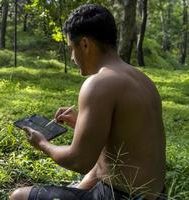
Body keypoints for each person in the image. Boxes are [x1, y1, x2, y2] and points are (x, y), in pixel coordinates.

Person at [10, 3, 166, 200]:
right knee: (89, 178)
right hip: (155, 195)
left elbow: (79, 161)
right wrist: (81, 123)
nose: (73, 57)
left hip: (121, 196)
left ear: (84, 44)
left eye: (71, 48)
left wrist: (42, 144)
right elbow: (127, 139)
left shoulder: (98, 84)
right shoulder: (142, 79)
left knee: (18, 196)